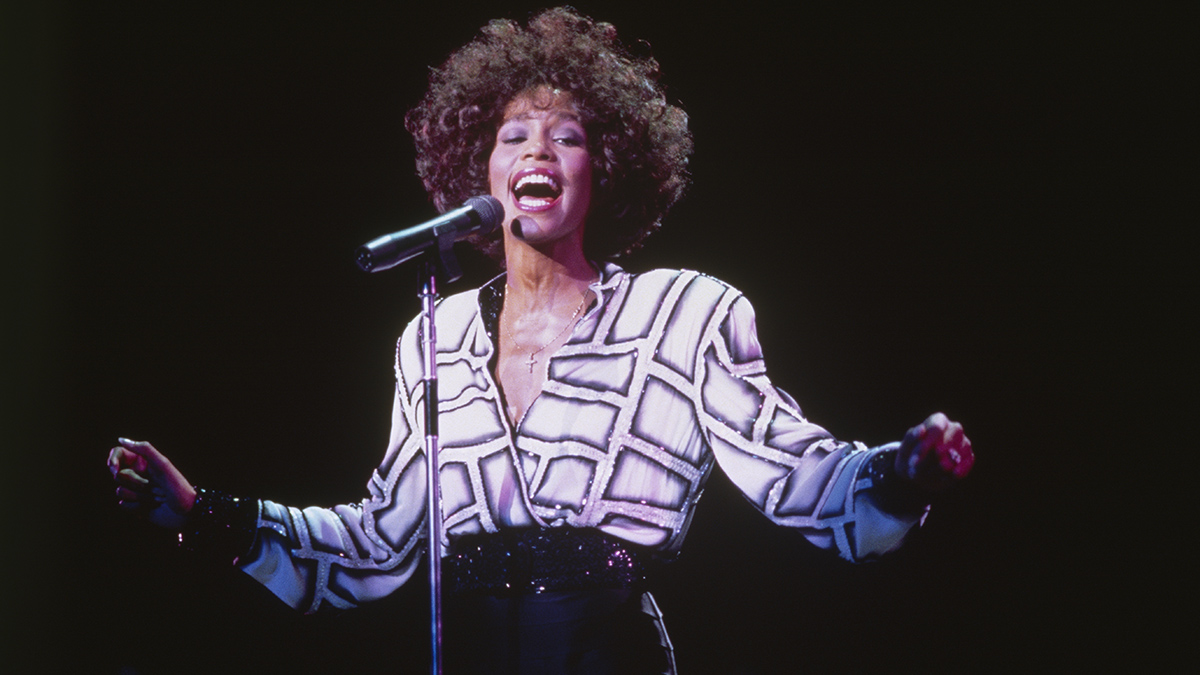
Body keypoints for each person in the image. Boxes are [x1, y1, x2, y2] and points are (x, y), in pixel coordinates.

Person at [108, 8, 974, 674]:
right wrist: (202, 512)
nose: (540, 151)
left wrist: (904, 471)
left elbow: (798, 476)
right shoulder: (433, 335)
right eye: (514, 134)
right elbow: (378, 543)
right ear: (477, 169)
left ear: (608, 168)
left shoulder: (683, 313)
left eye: (569, 136)